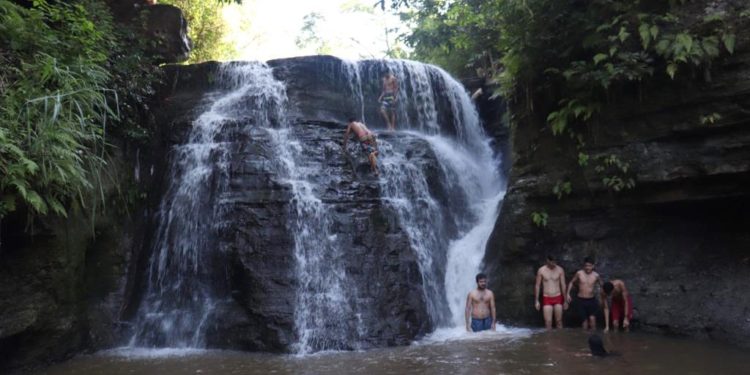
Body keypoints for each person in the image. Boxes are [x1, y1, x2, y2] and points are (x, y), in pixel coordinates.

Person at [566, 257, 602, 330]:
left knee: (592, 319)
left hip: (591, 300)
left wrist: (602, 298)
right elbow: (571, 282)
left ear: (593, 266)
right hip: (580, 300)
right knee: (584, 322)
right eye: (586, 265)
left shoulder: (596, 275)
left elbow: (602, 286)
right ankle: (584, 338)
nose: (587, 267)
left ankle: (594, 337)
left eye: (589, 266)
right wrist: (568, 294)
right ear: (584, 266)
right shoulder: (579, 273)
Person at [535, 255, 567, 329]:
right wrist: (536, 301)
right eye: (552, 262)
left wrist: (565, 300)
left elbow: (563, 285)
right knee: (548, 322)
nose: (554, 264)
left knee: (559, 321)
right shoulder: (541, 270)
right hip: (547, 298)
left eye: (555, 262)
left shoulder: (560, 270)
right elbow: (537, 286)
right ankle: (548, 340)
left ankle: (560, 339)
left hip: (558, 297)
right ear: (548, 261)